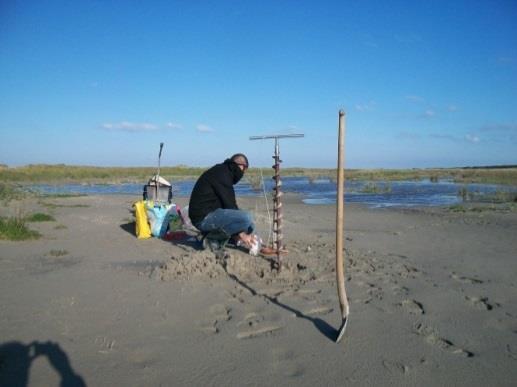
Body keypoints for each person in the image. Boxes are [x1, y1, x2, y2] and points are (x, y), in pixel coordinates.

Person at [188, 153, 256, 251]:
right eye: (244, 169)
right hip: (202, 218)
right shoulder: (222, 174)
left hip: (212, 211)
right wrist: (241, 234)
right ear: (239, 165)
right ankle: (211, 239)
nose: (243, 173)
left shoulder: (224, 171)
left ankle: (226, 236)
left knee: (250, 226)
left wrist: (242, 231)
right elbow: (230, 205)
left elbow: (228, 205)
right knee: (246, 218)